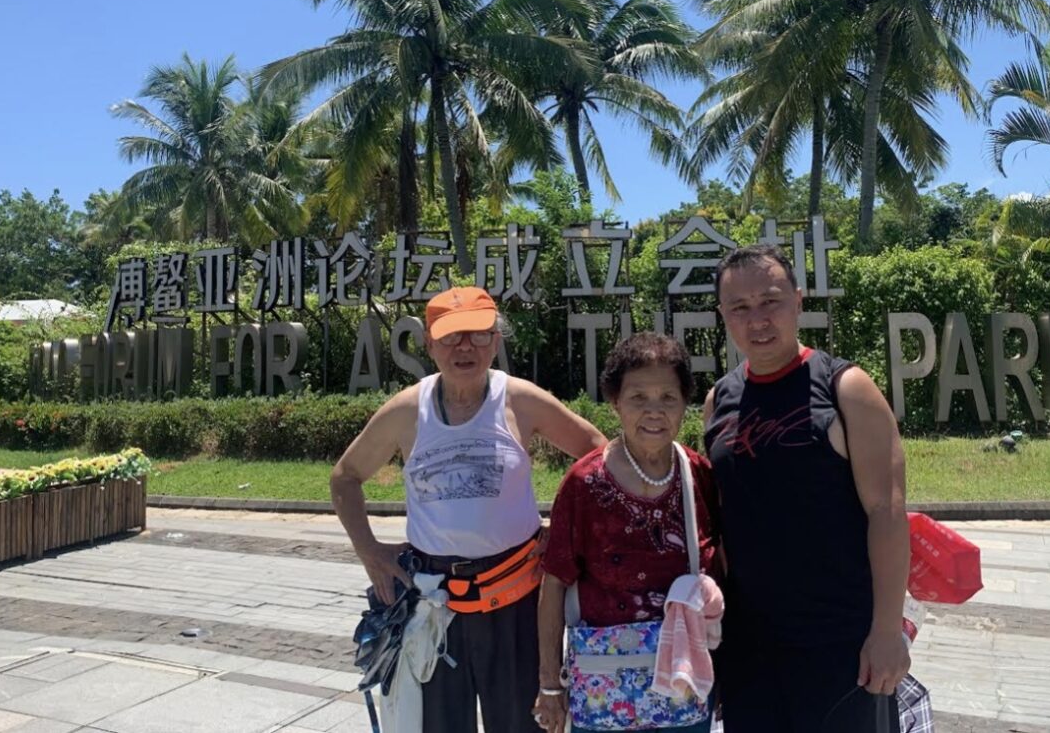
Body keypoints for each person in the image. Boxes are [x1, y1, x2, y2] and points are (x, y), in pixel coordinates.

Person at [330, 287, 606, 733]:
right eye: (451, 336)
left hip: (517, 602)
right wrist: (370, 552)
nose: (465, 348)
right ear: (429, 344)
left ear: (495, 341)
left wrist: (563, 532)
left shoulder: (519, 399)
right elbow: (345, 477)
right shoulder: (407, 410)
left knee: (522, 726)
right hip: (435, 606)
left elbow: (596, 454)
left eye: (478, 335)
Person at [705, 245, 909, 733]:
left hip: (840, 643)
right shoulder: (719, 400)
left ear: (798, 300)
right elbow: (724, 523)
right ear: (724, 316)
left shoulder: (846, 388)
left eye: (770, 301)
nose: (757, 320)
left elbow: (887, 512)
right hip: (751, 647)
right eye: (740, 307)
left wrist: (887, 631)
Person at [535, 333, 720, 733]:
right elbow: (554, 583)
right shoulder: (585, 483)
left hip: (684, 691)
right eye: (638, 398)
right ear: (615, 401)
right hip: (604, 690)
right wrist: (550, 684)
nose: (654, 411)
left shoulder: (698, 475)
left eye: (668, 397)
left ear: (684, 403)